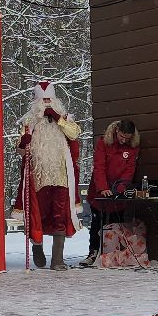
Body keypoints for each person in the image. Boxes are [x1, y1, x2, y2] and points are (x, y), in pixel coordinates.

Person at [14, 81, 81, 271]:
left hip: (60, 175)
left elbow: (74, 134)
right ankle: (37, 247)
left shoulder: (65, 118)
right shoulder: (29, 122)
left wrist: (58, 118)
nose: (46, 103)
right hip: (38, 176)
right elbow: (20, 150)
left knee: (59, 215)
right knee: (38, 215)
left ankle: (57, 259)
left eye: (49, 99)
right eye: (43, 100)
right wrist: (23, 143)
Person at [83, 119, 141, 267]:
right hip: (99, 190)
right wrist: (103, 188)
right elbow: (99, 166)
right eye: (122, 136)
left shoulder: (132, 148)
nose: (123, 140)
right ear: (117, 131)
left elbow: (129, 171)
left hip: (118, 192)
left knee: (117, 222)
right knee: (97, 222)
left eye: (127, 138)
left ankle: (114, 254)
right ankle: (93, 252)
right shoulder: (104, 142)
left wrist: (119, 189)